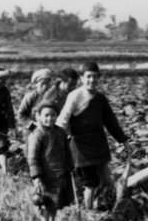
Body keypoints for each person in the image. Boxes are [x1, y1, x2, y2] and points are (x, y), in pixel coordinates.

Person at [56, 61, 132, 210]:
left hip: (98, 144)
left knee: (106, 181)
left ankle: (88, 203)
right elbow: (63, 119)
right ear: (82, 78)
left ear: (99, 77)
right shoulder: (75, 95)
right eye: (88, 76)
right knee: (91, 184)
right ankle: (88, 213)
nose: (92, 80)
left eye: (95, 76)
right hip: (81, 147)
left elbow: (111, 121)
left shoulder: (100, 98)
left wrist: (123, 141)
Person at [28, 101, 74, 221]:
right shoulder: (38, 134)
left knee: (56, 203)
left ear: (57, 116)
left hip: (60, 173)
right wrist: (37, 177)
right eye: (46, 115)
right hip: (45, 175)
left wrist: (70, 167)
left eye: (53, 115)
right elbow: (33, 157)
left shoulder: (60, 132)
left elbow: (67, 152)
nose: (50, 118)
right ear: (39, 117)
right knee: (45, 204)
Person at [17, 69, 53, 147]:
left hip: (49, 130)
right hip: (32, 130)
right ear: (36, 84)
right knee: (32, 153)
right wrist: (32, 124)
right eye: (42, 84)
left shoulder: (52, 97)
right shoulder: (31, 97)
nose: (45, 87)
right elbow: (21, 115)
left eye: (47, 84)